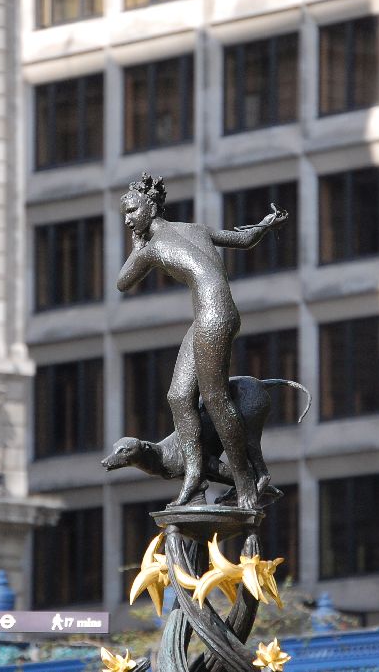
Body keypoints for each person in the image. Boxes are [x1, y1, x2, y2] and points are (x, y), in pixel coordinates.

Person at [117, 172, 287, 509]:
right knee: (179, 396)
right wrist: (265, 225)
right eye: (125, 214)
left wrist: (136, 246)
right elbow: (244, 239)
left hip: (213, 316)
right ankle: (195, 477)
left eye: (133, 211)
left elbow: (123, 282)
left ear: (151, 207)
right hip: (210, 315)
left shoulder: (151, 248)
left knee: (215, 400)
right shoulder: (195, 228)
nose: (127, 220)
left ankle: (246, 484)